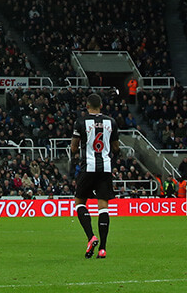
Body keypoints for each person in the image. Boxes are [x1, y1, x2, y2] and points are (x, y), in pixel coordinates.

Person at [69, 93, 118, 259]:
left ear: (87, 106)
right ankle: (103, 249)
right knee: (103, 206)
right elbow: (116, 147)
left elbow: (74, 148)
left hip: (88, 167)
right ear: (101, 106)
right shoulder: (111, 122)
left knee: (79, 202)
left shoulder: (81, 122)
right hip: (105, 167)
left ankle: (91, 237)